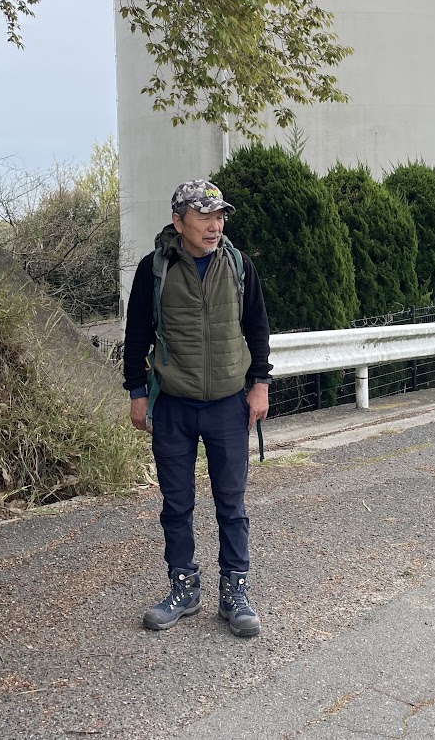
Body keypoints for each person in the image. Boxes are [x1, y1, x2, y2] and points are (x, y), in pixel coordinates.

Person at [123, 179, 272, 637]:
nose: (215, 225)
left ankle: (235, 591)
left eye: (219, 216)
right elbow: (135, 334)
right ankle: (183, 587)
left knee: (231, 503)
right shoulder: (154, 269)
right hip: (173, 404)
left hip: (228, 403)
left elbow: (257, 327)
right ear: (178, 221)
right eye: (204, 216)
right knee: (176, 504)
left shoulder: (239, 265)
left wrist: (260, 383)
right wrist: (136, 392)